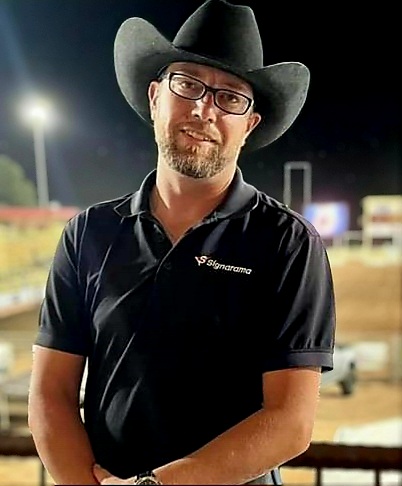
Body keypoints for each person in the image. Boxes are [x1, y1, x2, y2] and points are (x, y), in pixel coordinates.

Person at [28, 0, 336, 484]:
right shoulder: (87, 233)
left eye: (231, 97)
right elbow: (50, 394)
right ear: (155, 98)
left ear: (249, 123)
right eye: (187, 84)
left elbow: (290, 423)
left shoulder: (288, 242)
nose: (203, 109)